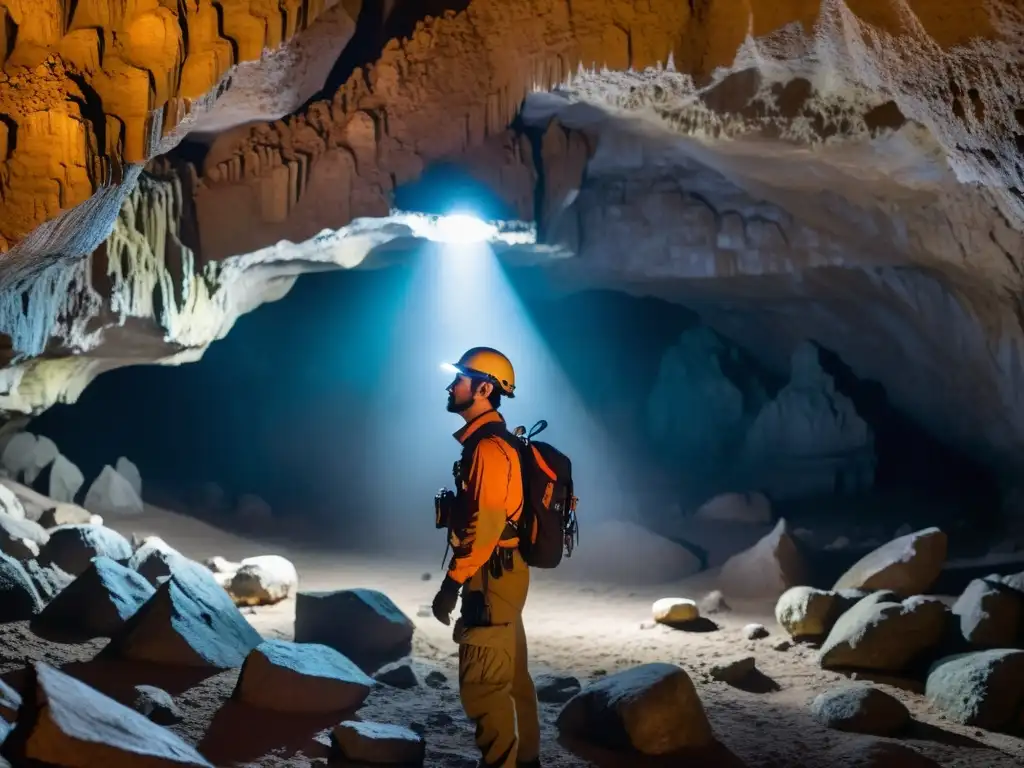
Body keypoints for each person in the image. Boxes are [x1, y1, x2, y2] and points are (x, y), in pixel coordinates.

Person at [432, 346, 541, 768]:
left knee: (484, 685)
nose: (450, 385)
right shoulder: (490, 443)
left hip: (490, 576)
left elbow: (485, 529)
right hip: (503, 574)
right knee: (510, 680)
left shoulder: (489, 450)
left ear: (482, 388)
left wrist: (451, 585)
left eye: (459, 379)